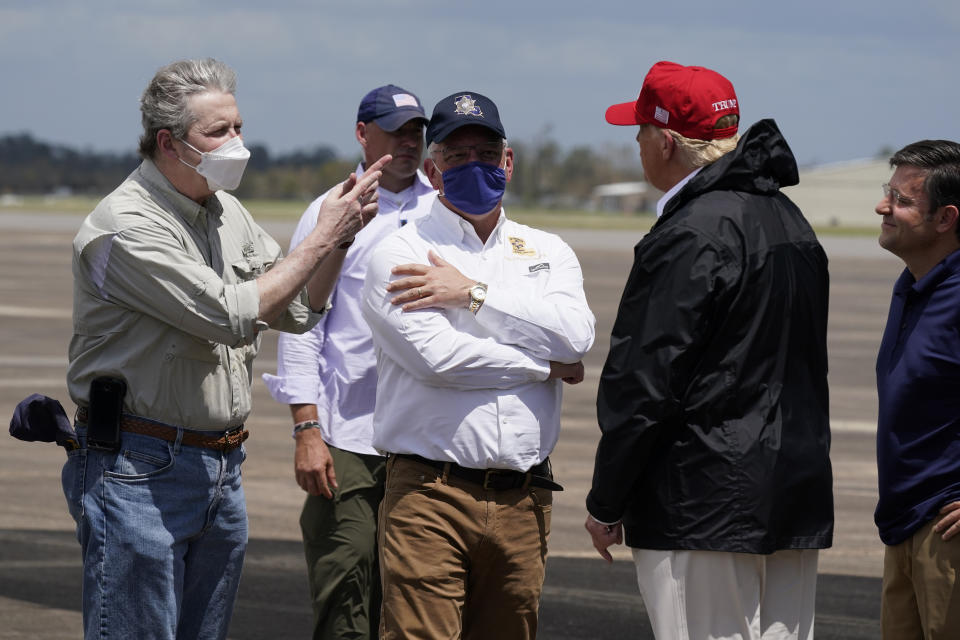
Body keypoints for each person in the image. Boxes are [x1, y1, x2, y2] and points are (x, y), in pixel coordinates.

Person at [61, 58, 388, 640]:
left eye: (238, 127)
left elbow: (296, 308)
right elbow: (230, 315)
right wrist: (319, 236)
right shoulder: (126, 225)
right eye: (218, 132)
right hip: (140, 468)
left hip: (219, 466)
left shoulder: (224, 209)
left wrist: (342, 239)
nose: (237, 142)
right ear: (169, 142)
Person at [584, 61, 834, 640]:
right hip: (790, 494)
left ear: (666, 141)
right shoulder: (790, 220)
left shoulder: (690, 233)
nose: (639, 145)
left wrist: (607, 499)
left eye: (641, 131)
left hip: (702, 502)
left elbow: (644, 384)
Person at [361, 91, 596, 639]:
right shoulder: (400, 255)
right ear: (432, 169)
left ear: (508, 162)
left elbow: (577, 338)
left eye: (486, 154)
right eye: (457, 156)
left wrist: (473, 296)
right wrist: (545, 365)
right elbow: (442, 361)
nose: (475, 166)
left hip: (525, 497)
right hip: (430, 494)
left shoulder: (547, 250)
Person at [262, 84, 434, 640]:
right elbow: (301, 326)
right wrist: (307, 428)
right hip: (348, 435)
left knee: (412, 595)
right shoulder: (330, 210)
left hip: (424, 435)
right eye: (394, 130)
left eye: (416, 131)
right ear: (363, 134)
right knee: (345, 582)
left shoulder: (446, 207)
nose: (408, 142)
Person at [873, 140, 960, 640]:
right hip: (903, 524)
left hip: (947, 529)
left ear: (946, 218)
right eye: (888, 193)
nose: (884, 207)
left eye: (902, 201)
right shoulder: (912, 284)